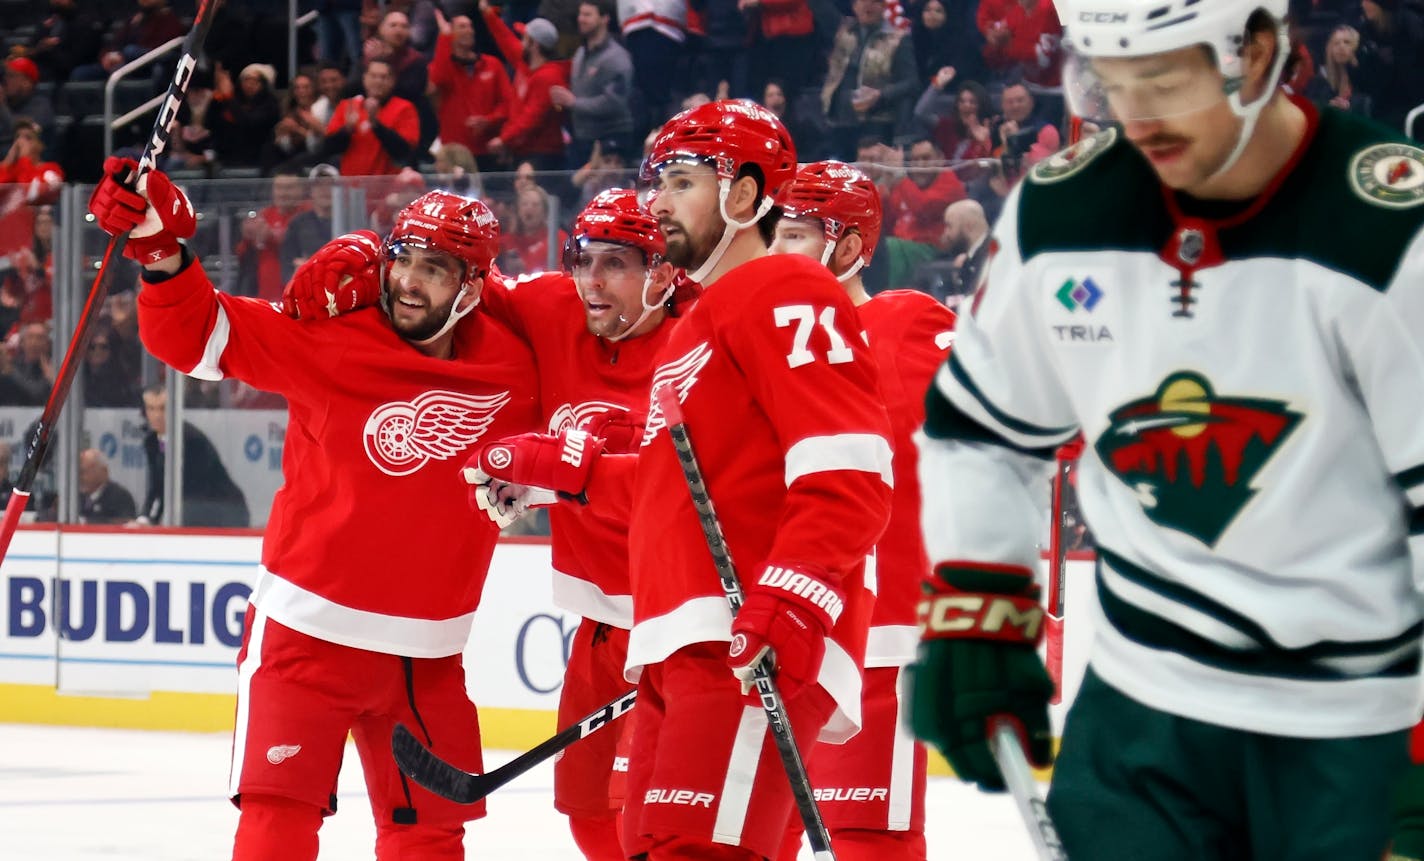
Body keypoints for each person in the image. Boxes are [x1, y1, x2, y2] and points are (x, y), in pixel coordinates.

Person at [908, 3, 1424, 860]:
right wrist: (981, 602)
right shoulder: (1062, 214)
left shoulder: (1392, 227)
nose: (1135, 114)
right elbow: (984, 427)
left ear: (1257, 52)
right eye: (1110, 81)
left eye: (1163, 78)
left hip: (1355, 724)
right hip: (1140, 719)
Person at [472, 99, 894, 860]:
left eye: (682, 180)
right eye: (656, 180)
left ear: (744, 195)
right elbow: (681, 495)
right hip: (681, 644)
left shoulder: (787, 290)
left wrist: (798, 594)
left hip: (741, 642)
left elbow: (851, 462)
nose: (657, 200)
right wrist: (564, 478)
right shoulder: (699, 328)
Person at [88, 159, 539, 860]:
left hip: (427, 656)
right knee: (277, 827)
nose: (408, 282)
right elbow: (197, 336)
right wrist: (159, 247)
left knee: (429, 839)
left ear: (474, 285)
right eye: (402, 259)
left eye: (435, 268)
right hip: (306, 635)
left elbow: (602, 367)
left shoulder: (517, 364)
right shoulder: (332, 333)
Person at [770, 161, 955, 860]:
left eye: (791, 235)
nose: (773, 250)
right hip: (784, 628)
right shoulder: (759, 338)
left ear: (846, 248)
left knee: (868, 839)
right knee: (755, 834)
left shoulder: (903, 322)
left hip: (879, 635)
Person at [136, 384, 251, 528]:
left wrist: (155, 519)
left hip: (223, 508)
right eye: (151, 409)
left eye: (163, 408)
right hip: (193, 509)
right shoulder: (151, 442)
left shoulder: (190, 439)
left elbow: (189, 487)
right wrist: (145, 518)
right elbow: (157, 485)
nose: (157, 415)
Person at [77, 448, 137, 525]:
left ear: (103, 472)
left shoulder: (120, 496)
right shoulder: (75, 497)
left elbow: (124, 524)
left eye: (84, 472)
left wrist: (87, 522)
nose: (81, 477)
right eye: (79, 472)